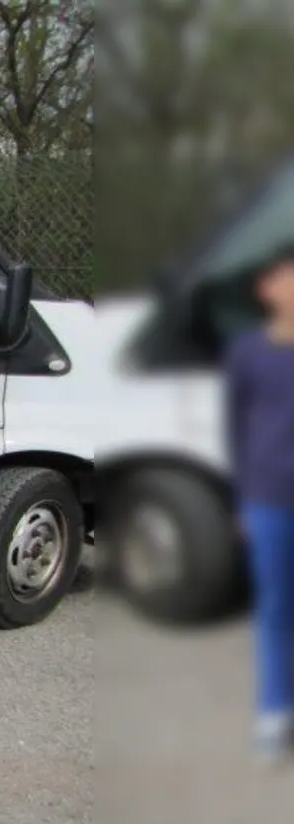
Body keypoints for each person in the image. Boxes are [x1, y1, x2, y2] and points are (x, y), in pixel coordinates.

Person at [225, 243, 294, 761]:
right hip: (268, 500)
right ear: (265, 289)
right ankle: (274, 712)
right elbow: (234, 429)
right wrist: (241, 502)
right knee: (274, 610)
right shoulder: (248, 352)